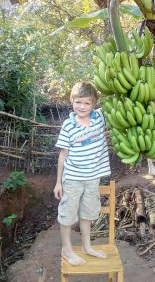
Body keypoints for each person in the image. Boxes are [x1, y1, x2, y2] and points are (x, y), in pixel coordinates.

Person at [53, 81, 111, 266]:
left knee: (87, 213)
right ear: (72, 101)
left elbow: (118, 101)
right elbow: (63, 155)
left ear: (94, 104)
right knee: (68, 214)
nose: (82, 107)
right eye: (78, 102)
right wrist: (58, 182)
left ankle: (87, 246)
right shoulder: (68, 126)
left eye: (87, 103)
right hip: (72, 178)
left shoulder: (100, 118)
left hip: (93, 177)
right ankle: (67, 250)